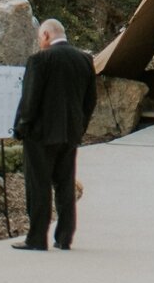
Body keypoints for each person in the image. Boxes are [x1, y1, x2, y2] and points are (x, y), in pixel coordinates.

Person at [12, 18, 96, 251]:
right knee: (65, 184)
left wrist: (21, 127)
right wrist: (80, 127)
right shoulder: (84, 60)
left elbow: (30, 99)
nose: (40, 42)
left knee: (38, 185)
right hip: (70, 134)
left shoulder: (39, 60)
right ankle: (65, 237)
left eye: (40, 37)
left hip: (41, 134)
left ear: (46, 35)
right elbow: (90, 100)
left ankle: (37, 238)